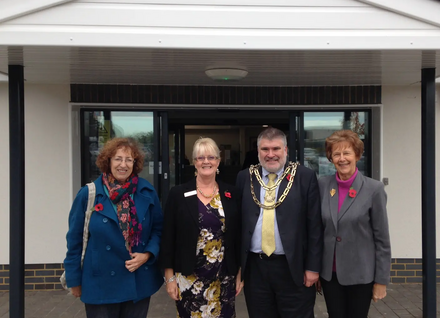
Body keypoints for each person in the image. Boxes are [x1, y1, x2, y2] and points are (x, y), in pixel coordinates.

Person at [64, 137, 164, 318]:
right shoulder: (89, 194)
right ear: (108, 161)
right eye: (118, 159)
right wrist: (74, 280)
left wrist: (147, 254)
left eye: (129, 159)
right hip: (100, 282)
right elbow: (74, 240)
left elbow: (158, 229)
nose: (123, 165)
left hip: (137, 279)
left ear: (135, 163)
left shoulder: (146, 192)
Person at [236, 127, 323, 318]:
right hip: (256, 269)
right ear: (258, 151)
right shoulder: (245, 177)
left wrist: (312, 267)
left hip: (293, 268)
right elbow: (238, 224)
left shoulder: (304, 176)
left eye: (276, 149)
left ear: (285, 150)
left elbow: (315, 226)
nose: (270, 154)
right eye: (265, 149)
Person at [159, 137, 243, 318]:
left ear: (218, 162)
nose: (206, 161)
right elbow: (168, 238)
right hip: (189, 280)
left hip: (223, 279)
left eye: (211, 157)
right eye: (201, 157)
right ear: (194, 162)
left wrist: (239, 272)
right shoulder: (178, 194)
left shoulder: (231, 194)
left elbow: (238, 237)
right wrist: (170, 277)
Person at [317, 130, 391, 318]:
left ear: (357, 155)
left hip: (361, 275)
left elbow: (382, 239)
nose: (342, 159)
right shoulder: (322, 186)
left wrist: (381, 281)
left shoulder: (374, 189)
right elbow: (318, 231)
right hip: (330, 275)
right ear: (331, 158)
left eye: (347, 153)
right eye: (336, 154)